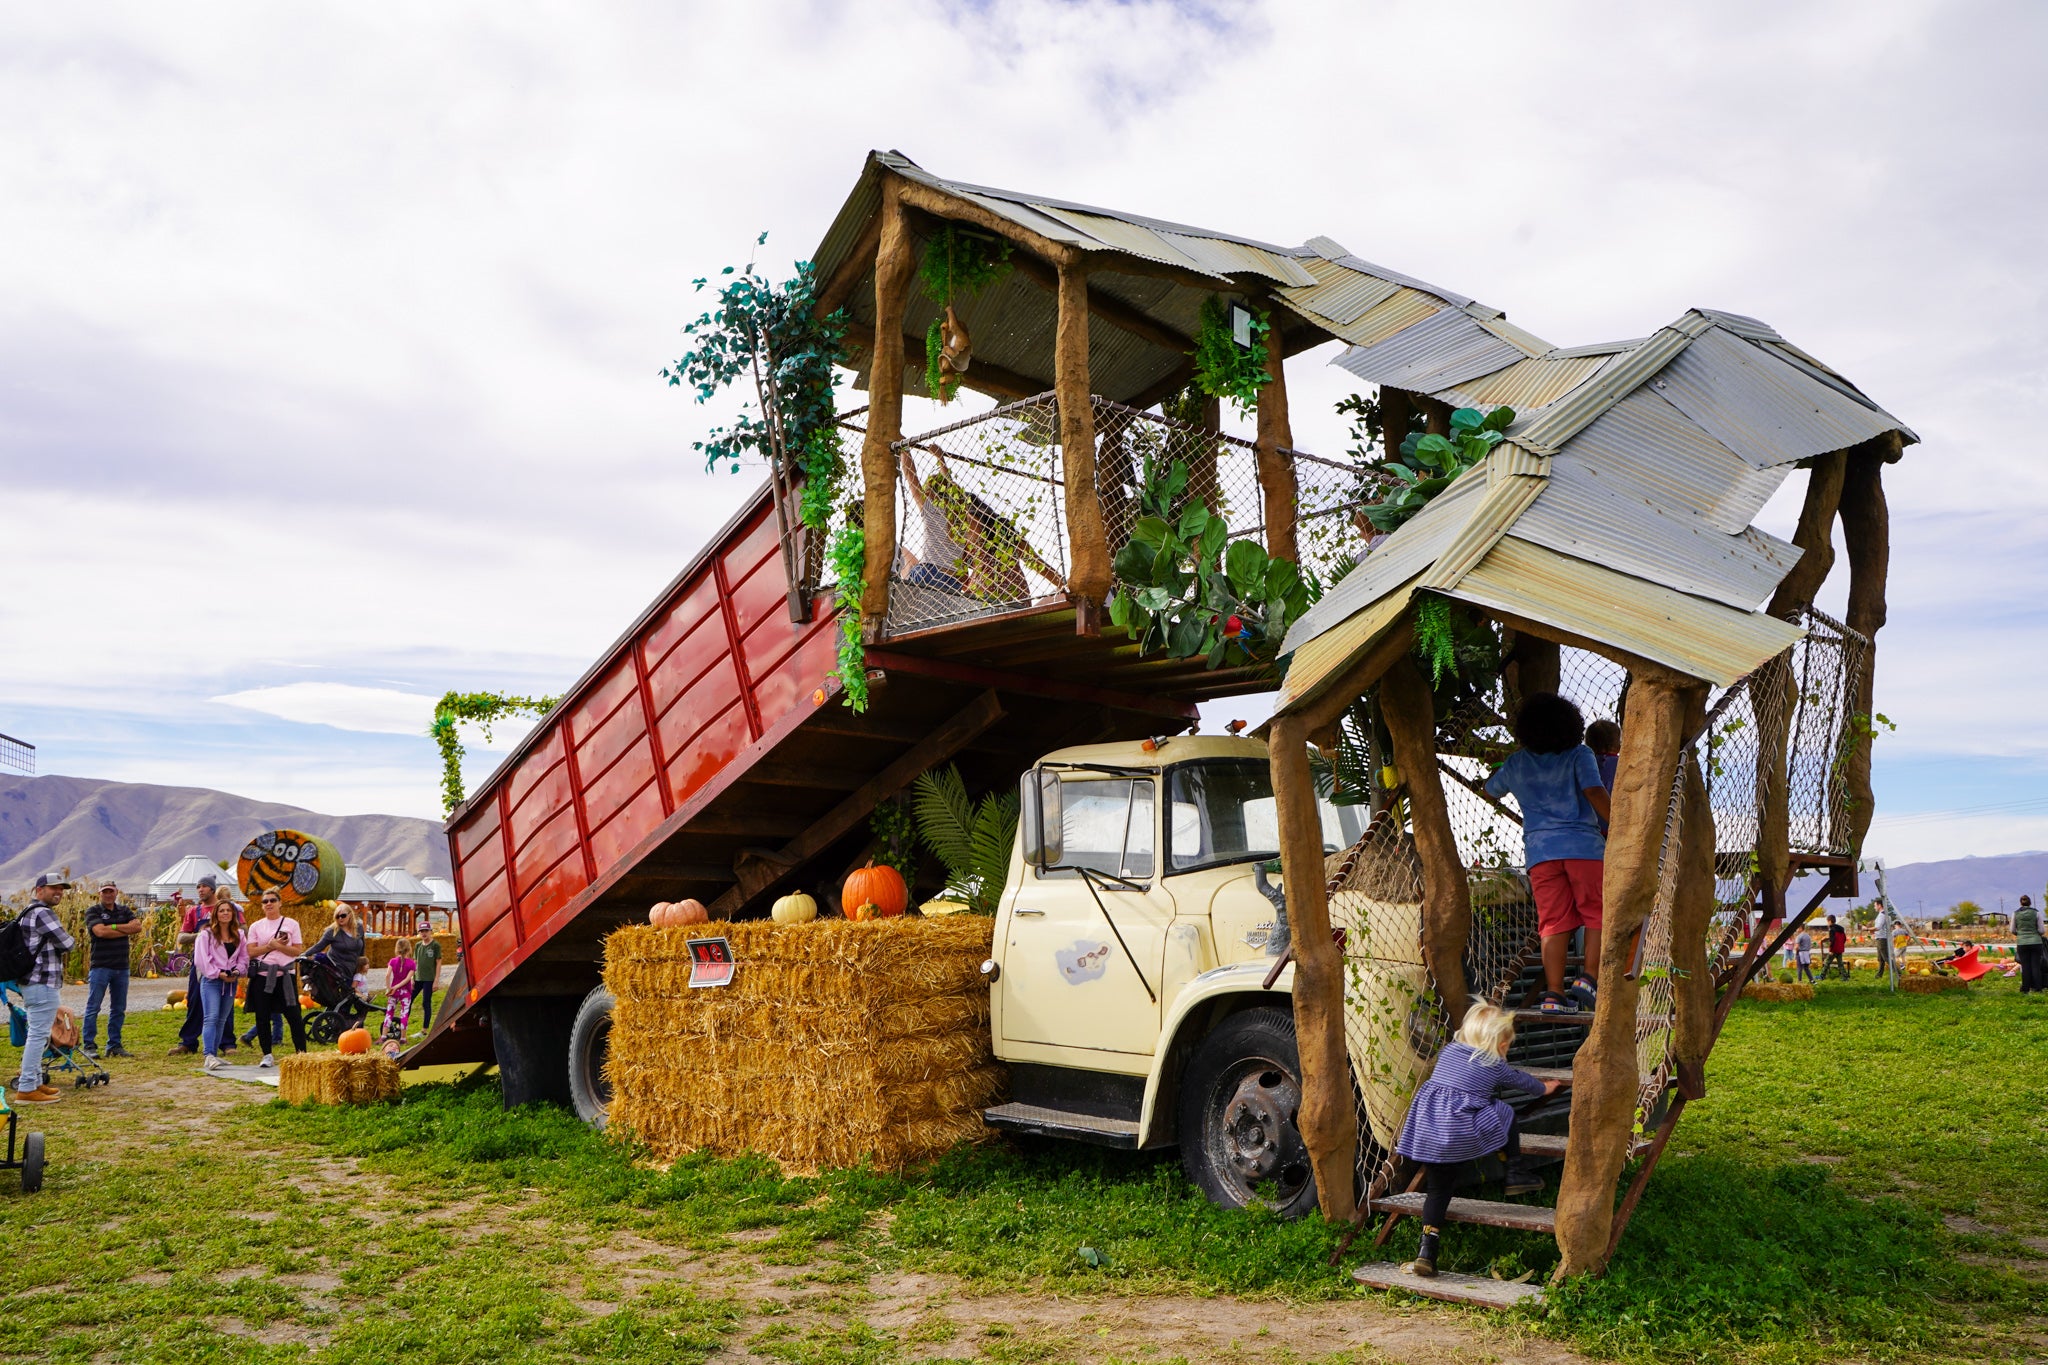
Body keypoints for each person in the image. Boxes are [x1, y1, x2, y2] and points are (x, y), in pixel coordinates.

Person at [1394, 1002, 1565, 1278]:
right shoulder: (1493, 1063)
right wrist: (1544, 1087)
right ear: (1499, 1044)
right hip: (1456, 1134)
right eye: (1506, 1045)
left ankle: (1426, 1250)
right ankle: (1515, 1172)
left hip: (1428, 1133)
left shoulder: (1448, 1051)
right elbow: (1521, 1080)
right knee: (1504, 1111)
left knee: (1438, 1191)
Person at [1484, 693, 1610, 1013]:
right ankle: (1588, 978)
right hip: (1584, 849)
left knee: (1552, 923)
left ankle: (1554, 994)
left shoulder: (1517, 762)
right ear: (1571, 725)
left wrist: (1503, 766)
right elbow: (1593, 790)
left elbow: (1491, 789)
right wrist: (1620, 822)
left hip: (1541, 854)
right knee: (1597, 911)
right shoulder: (1579, 754)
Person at [9, 873, 78, 1106]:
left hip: (31, 981)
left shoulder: (27, 912)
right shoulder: (43, 913)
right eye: (52, 889)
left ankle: (37, 1082)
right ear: (39, 890)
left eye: (61, 889)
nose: (58, 892)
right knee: (38, 1035)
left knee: (38, 1033)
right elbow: (68, 943)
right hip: (42, 981)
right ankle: (27, 1088)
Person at [242, 890, 307, 1066]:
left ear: (280, 903)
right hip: (263, 976)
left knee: (294, 1015)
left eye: (272, 900)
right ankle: (267, 1054)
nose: (269, 904)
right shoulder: (256, 926)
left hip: (285, 975)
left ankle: (301, 1053)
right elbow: (251, 951)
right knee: (262, 1016)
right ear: (262, 906)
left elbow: (297, 950)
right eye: (265, 901)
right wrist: (270, 947)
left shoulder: (291, 924)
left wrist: (277, 945)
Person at [83, 879, 143, 1058]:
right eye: (105, 891)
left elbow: (137, 927)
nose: (108, 894)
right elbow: (100, 932)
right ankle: (89, 1045)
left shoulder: (124, 910)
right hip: (101, 966)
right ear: (99, 893)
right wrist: (124, 929)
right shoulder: (93, 911)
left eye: (111, 891)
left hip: (121, 967)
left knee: (118, 1008)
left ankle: (114, 1045)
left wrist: (113, 927)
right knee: (93, 1007)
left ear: (116, 892)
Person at [193, 899, 247, 1070]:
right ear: (216, 914)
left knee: (222, 1019)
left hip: (230, 981)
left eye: (228, 911)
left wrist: (237, 971)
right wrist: (218, 973)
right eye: (221, 910)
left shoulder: (239, 935)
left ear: (233, 914)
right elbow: (201, 960)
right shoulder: (206, 935)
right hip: (212, 981)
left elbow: (244, 958)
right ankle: (208, 1054)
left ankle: (214, 1054)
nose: (225, 913)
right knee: (211, 1017)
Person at [171, 876, 218, 1054]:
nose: (200, 889)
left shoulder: (225, 909)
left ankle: (227, 1044)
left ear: (213, 889)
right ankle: (188, 1042)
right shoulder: (194, 912)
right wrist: (202, 935)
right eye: (198, 886)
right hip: (200, 962)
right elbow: (181, 938)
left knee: (223, 1003)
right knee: (194, 1000)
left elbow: (241, 932)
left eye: (205, 886)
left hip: (222, 961)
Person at [310, 904, 367, 994]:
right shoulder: (332, 931)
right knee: (343, 996)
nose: (340, 918)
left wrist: (363, 964)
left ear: (350, 915)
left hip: (353, 967)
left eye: (343, 915)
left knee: (351, 996)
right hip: (338, 969)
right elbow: (318, 946)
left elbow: (362, 946)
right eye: (337, 916)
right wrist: (303, 954)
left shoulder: (359, 927)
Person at [1585, 719, 1621, 835]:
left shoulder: (1585, 764)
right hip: (1615, 826)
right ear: (1617, 745)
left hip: (1588, 829)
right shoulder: (1622, 764)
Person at [413, 913, 442, 1031]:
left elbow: (439, 962)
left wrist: (436, 980)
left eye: (426, 930)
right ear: (419, 933)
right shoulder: (418, 945)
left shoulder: (435, 945)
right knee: (408, 1000)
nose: (424, 933)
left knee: (426, 1002)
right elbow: (415, 962)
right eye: (421, 931)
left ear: (430, 931)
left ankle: (424, 1029)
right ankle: (403, 1025)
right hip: (417, 978)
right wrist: (412, 978)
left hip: (429, 979)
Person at [2016, 894, 2044, 995]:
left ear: (2021, 903)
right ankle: (2038, 988)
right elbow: (2041, 930)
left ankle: (2025, 989)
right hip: (2036, 942)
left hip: (2022, 943)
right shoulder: (2036, 913)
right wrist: (2036, 934)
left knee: (2025, 966)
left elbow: (2012, 929)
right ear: (2030, 902)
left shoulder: (2015, 914)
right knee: (2036, 966)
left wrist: (2020, 934)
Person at [1823, 915, 1849, 980]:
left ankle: (1822, 976)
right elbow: (1844, 939)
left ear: (1829, 921)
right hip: (1840, 949)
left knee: (1827, 962)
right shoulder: (1841, 929)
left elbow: (1832, 940)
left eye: (1827, 921)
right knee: (1840, 964)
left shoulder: (1832, 929)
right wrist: (1840, 945)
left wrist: (1831, 950)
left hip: (1834, 949)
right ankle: (1845, 977)